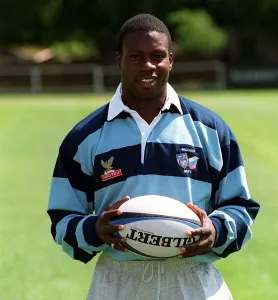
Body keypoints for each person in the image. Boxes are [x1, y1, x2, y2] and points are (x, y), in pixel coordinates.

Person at [47, 13, 260, 300]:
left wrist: (216, 230)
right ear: (119, 60)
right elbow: (62, 218)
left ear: (170, 60)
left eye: (157, 56)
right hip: (119, 283)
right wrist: (94, 230)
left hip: (194, 281)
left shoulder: (209, 130)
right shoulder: (85, 137)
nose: (148, 65)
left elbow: (241, 206)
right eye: (135, 56)